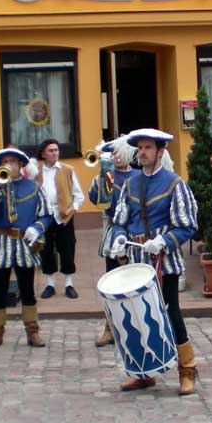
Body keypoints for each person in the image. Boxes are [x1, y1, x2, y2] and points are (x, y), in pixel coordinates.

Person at [107, 128, 200, 395]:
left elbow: (187, 225)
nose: (143, 153)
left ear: (160, 152)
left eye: (148, 148)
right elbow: (120, 220)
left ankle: (187, 370)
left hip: (164, 261)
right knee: (137, 316)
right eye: (140, 148)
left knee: (171, 312)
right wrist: (119, 237)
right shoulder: (130, 184)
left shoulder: (174, 183)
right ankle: (144, 373)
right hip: (136, 261)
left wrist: (164, 241)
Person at [0, 147, 55, 349]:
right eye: (4, 162)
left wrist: (36, 228)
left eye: (12, 161)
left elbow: (47, 215)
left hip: (24, 242)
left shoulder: (34, 187)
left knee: (27, 288)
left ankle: (32, 331)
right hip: (1, 241)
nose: (8, 165)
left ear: (21, 164)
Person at [88, 138, 135, 347]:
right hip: (113, 231)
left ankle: (134, 328)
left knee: (134, 282)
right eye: (113, 153)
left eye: (119, 152)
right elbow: (96, 200)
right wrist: (101, 177)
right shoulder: (106, 176)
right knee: (112, 281)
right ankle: (110, 328)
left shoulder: (138, 176)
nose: (116, 157)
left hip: (135, 232)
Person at [35, 137, 84, 299]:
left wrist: (73, 209)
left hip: (64, 216)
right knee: (46, 249)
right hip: (44, 216)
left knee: (67, 248)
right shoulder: (36, 172)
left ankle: (69, 284)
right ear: (43, 154)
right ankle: (50, 284)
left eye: (56, 150)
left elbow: (78, 195)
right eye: (51, 150)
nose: (55, 153)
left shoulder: (67, 169)